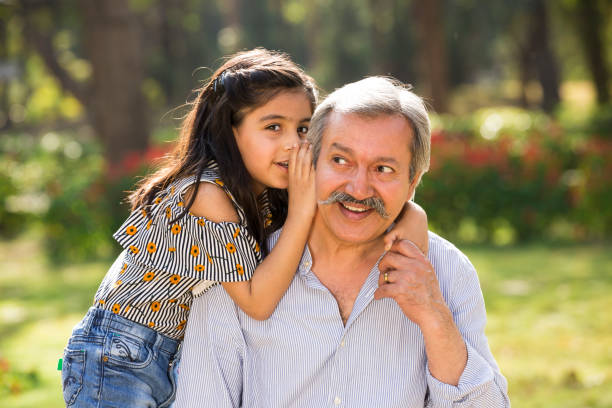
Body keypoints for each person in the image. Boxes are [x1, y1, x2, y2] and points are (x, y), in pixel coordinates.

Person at [60, 49, 428, 407]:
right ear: (230, 131)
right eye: (273, 127)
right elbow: (258, 302)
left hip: (173, 353)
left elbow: (356, 206)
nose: (293, 144)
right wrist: (301, 210)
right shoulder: (205, 193)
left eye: (303, 128)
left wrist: (412, 216)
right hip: (118, 354)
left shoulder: (266, 191)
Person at [173, 76, 511, 407]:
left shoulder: (446, 272)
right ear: (308, 163)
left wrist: (435, 318)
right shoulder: (239, 270)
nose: (358, 189)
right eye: (340, 161)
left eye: (383, 169)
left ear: (412, 184)